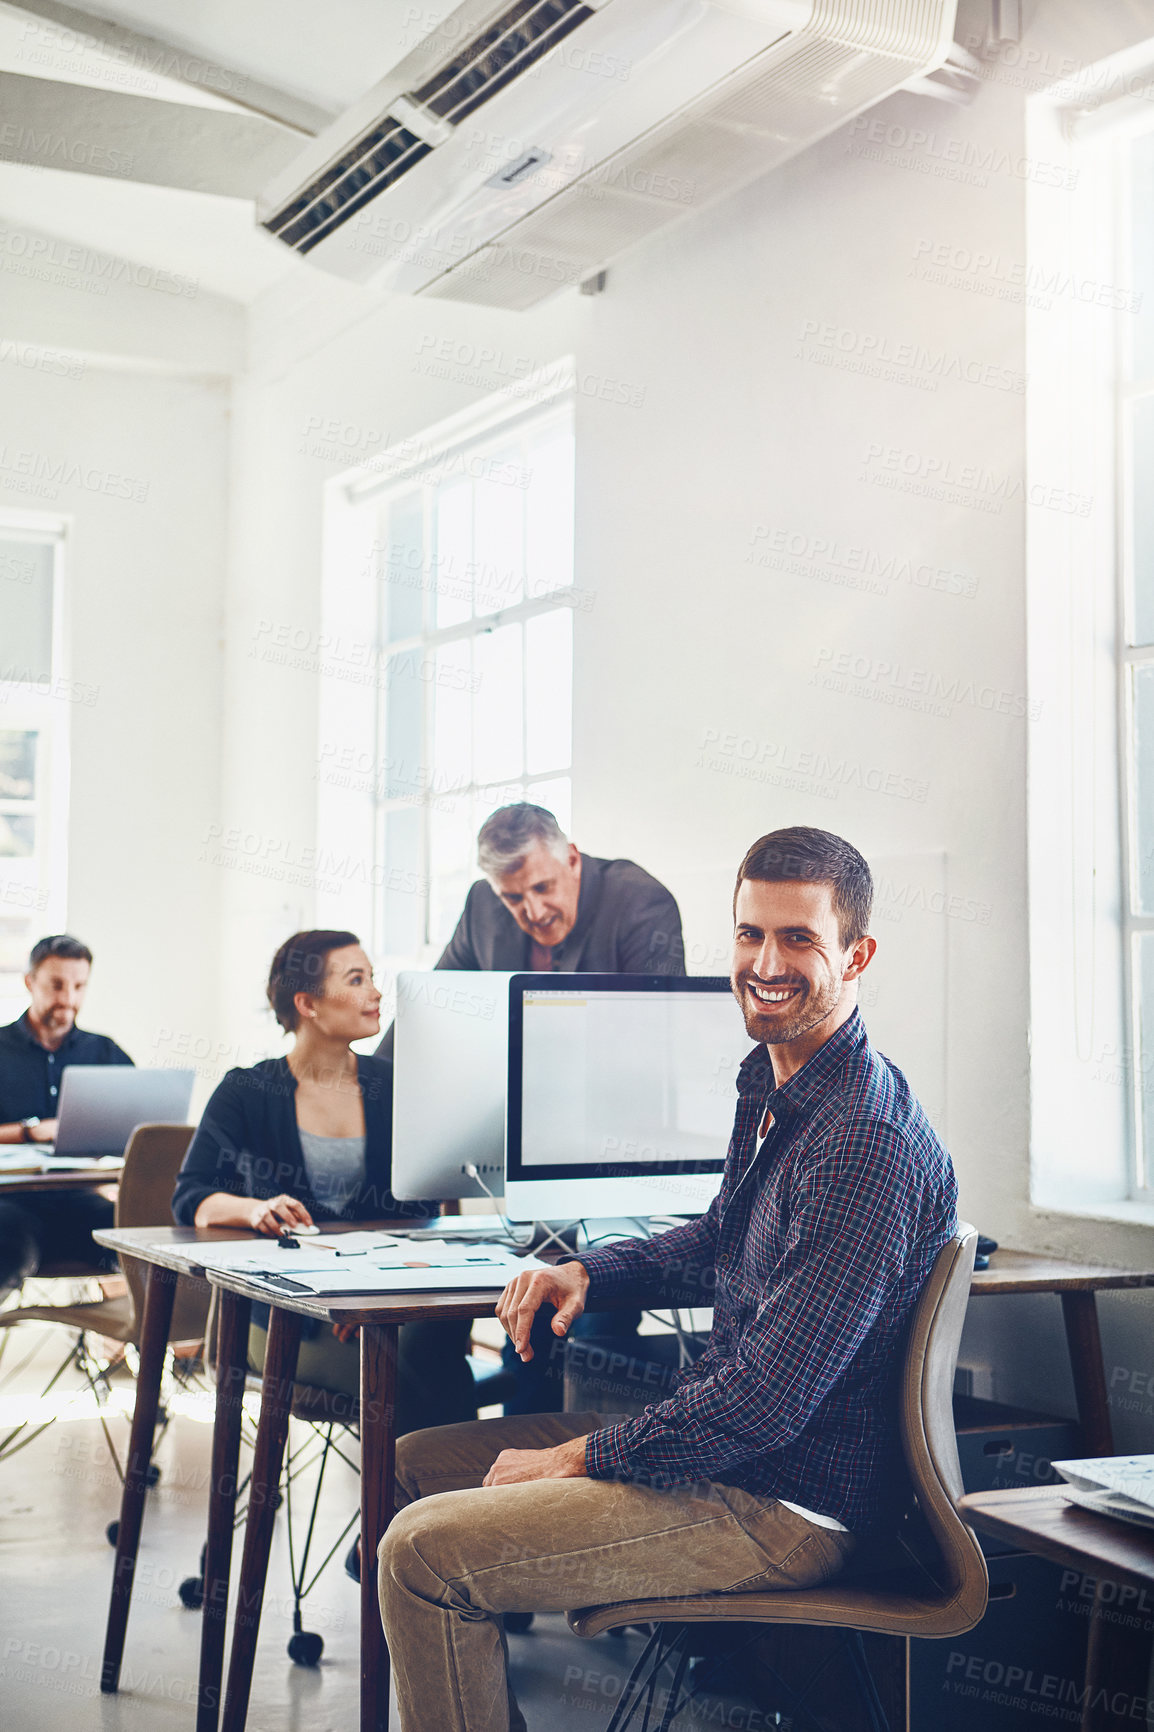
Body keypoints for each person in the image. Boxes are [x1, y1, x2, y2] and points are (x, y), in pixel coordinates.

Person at [377, 826, 960, 1732]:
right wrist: (584, 1274)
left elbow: (765, 1402)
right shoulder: (780, 1083)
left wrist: (577, 1459)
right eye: (749, 935)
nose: (765, 963)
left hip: (783, 1505)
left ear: (858, 954)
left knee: (421, 1553)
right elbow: (720, 1236)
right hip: (736, 1465)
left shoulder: (861, 1143)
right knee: (418, 1463)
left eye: (799, 939)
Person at [377, 801, 687, 1415]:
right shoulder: (483, 907)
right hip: (515, 1159)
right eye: (516, 897)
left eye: (543, 887)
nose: (534, 910)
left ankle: (557, 1475)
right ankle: (499, 1475)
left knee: (589, 1331)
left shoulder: (639, 901)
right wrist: (369, 1084)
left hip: (610, 1159)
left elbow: (656, 1044)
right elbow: (431, 1014)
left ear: (572, 858)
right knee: (514, 1333)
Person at [171, 929, 476, 1429]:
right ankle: (441, 1502)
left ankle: (439, 1501)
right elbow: (191, 1198)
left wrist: (367, 1298)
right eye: (357, 980)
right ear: (307, 1003)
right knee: (424, 1369)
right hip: (284, 1317)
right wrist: (254, 1209)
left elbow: (420, 1210)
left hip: (382, 1308)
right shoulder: (246, 1092)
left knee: (432, 1349)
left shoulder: (394, 1085)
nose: (376, 993)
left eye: (373, 978)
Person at [0, 934, 133, 1292]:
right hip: (10, 1204)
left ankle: (163, 1344)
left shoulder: (104, 1053)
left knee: (148, 1236)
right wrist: (30, 1131)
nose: (69, 999)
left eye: (79, 986)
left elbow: (141, 1128)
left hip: (84, 1201)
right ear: (30, 983)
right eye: (57, 985)